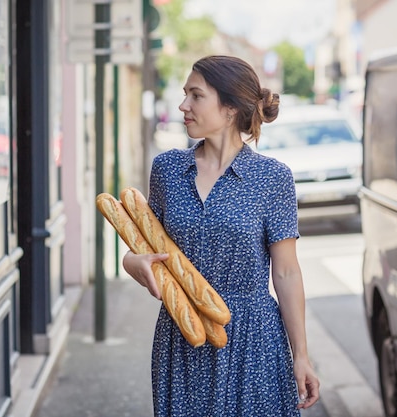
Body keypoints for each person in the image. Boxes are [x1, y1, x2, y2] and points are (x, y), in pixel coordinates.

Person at [123, 55, 320, 416]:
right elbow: (144, 246)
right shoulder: (167, 170)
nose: (183, 105)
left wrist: (301, 355)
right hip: (183, 335)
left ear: (230, 108)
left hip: (253, 339)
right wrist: (132, 263)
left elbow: (287, 273)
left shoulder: (272, 177)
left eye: (196, 96)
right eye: (185, 94)